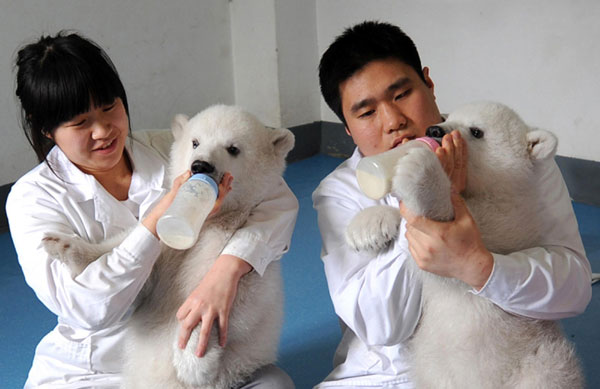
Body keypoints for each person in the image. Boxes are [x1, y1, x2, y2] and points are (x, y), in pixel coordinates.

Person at [7, 31, 297, 388]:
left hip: (205, 354)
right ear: (46, 128)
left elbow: (275, 196)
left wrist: (227, 270)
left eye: (109, 107)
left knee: (275, 385)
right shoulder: (32, 199)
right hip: (96, 369)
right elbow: (88, 308)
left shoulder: (170, 145)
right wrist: (158, 219)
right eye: (81, 122)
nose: (103, 131)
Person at [313, 21, 591, 388]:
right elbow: (381, 326)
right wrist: (424, 207)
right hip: (384, 374)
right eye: (366, 113)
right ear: (347, 129)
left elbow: (573, 290)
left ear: (428, 82)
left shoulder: (512, 156)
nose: (394, 122)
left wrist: (481, 267)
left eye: (401, 94)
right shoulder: (341, 192)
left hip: (504, 366)